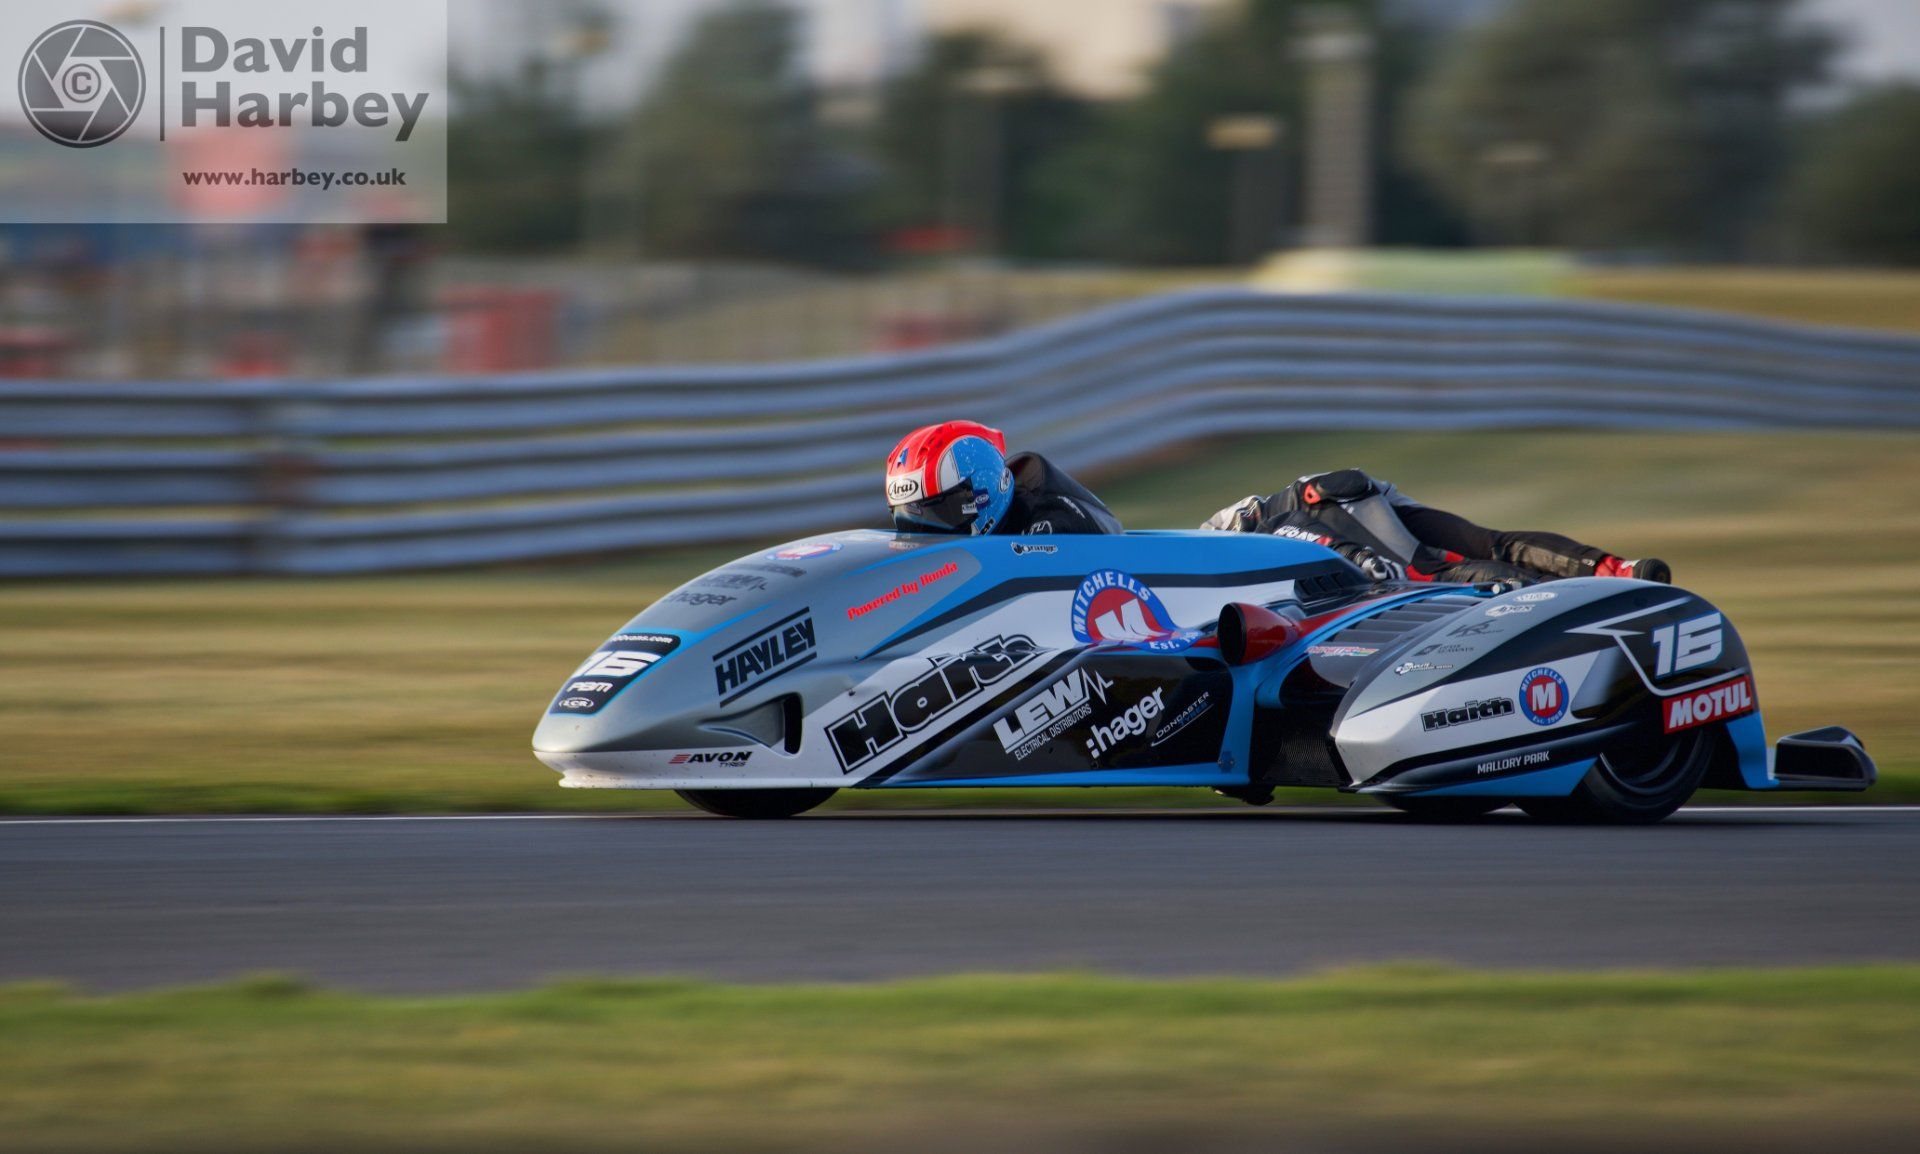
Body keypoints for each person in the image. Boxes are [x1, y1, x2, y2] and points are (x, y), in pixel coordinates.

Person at [1199, 468, 1670, 586]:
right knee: (1487, 543)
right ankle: (1619, 570)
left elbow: (1311, 536)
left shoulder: (1253, 536)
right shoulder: (1235, 541)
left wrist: (1360, 556)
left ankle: (1557, 593)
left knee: (1423, 572)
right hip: (1353, 494)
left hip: (1332, 501)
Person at [885, 421, 1121, 536]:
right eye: (907, 519)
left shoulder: (1054, 524)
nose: (924, 535)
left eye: (941, 513)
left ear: (984, 493)